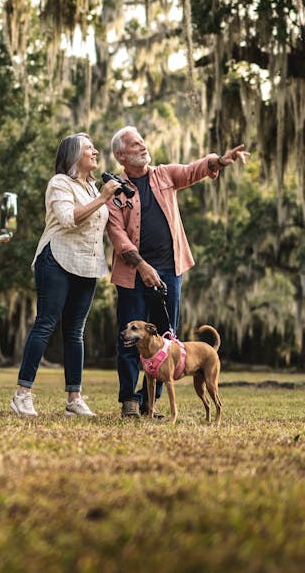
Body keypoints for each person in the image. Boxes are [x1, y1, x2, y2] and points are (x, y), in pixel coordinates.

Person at [106, 126, 249, 418]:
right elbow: (117, 233)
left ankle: (151, 403)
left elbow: (192, 170)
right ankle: (129, 402)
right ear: (121, 155)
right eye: (135, 145)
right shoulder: (115, 189)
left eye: (143, 142)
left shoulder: (163, 174)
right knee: (130, 336)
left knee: (165, 339)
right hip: (133, 273)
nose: (142, 147)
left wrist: (218, 161)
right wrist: (142, 266)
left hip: (170, 270)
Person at [10, 133, 120, 418]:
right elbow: (68, 219)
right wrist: (105, 197)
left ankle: (74, 399)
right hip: (56, 258)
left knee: (75, 333)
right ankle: (22, 395)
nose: (95, 151)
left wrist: (105, 196)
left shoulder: (95, 188)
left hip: (87, 265)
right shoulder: (60, 183)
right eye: (88, 148)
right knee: (45, 324)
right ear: (74, 156)